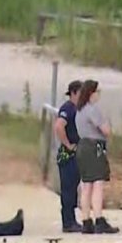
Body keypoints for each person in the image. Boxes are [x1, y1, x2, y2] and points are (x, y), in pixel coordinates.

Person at [74, 80, 119, 234]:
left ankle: (86, 220)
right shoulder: (92, 110)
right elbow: (105, 130)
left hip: (82, 146)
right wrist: (108, 124)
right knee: (97, 183)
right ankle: (99, 218)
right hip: (95, 147)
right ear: (91, 93)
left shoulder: (80, 110)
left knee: (86, 185)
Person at [54, 80, 83, 233]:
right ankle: (68, 222)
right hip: (68, 155)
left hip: (77, 154)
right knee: (68, 188)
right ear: (73, 93)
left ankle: (72, 220)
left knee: (73, 188)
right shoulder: (68, 108)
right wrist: (67, 144)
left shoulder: (79, 109)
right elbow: (59, 126)